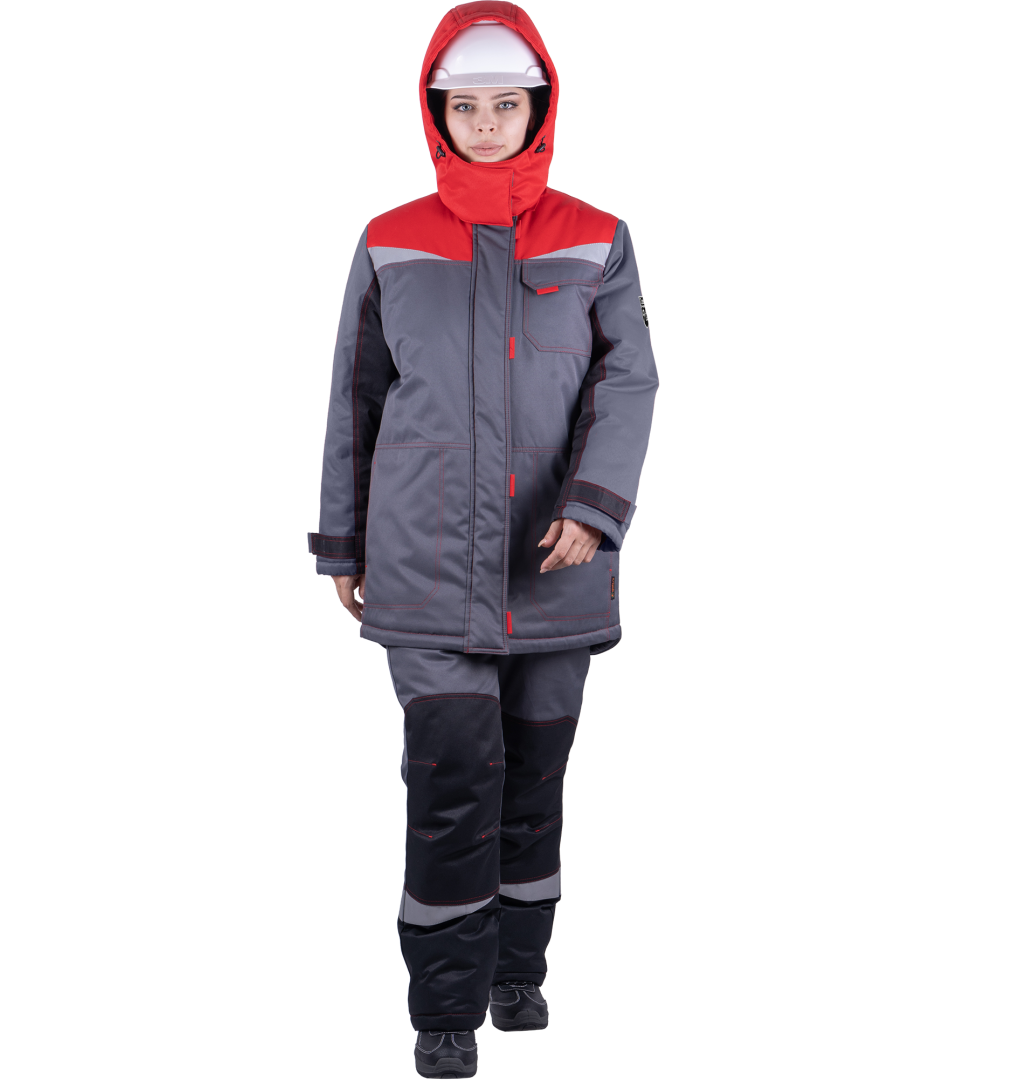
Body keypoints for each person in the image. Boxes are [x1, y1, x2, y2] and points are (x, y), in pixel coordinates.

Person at [306, 5, 658, 1076]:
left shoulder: (598, 236)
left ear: (539, 111)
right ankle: (442, 1013)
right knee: (453, 777)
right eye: (468, 107)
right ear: (437, 114)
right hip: (423, 566)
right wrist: (341, 546)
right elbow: (354, 399)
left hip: (556, 571)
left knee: (537, 781)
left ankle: (517, 976)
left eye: (509, 104)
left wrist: (596, 507)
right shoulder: (389, 237)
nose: (489, 123)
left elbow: (628, 382)